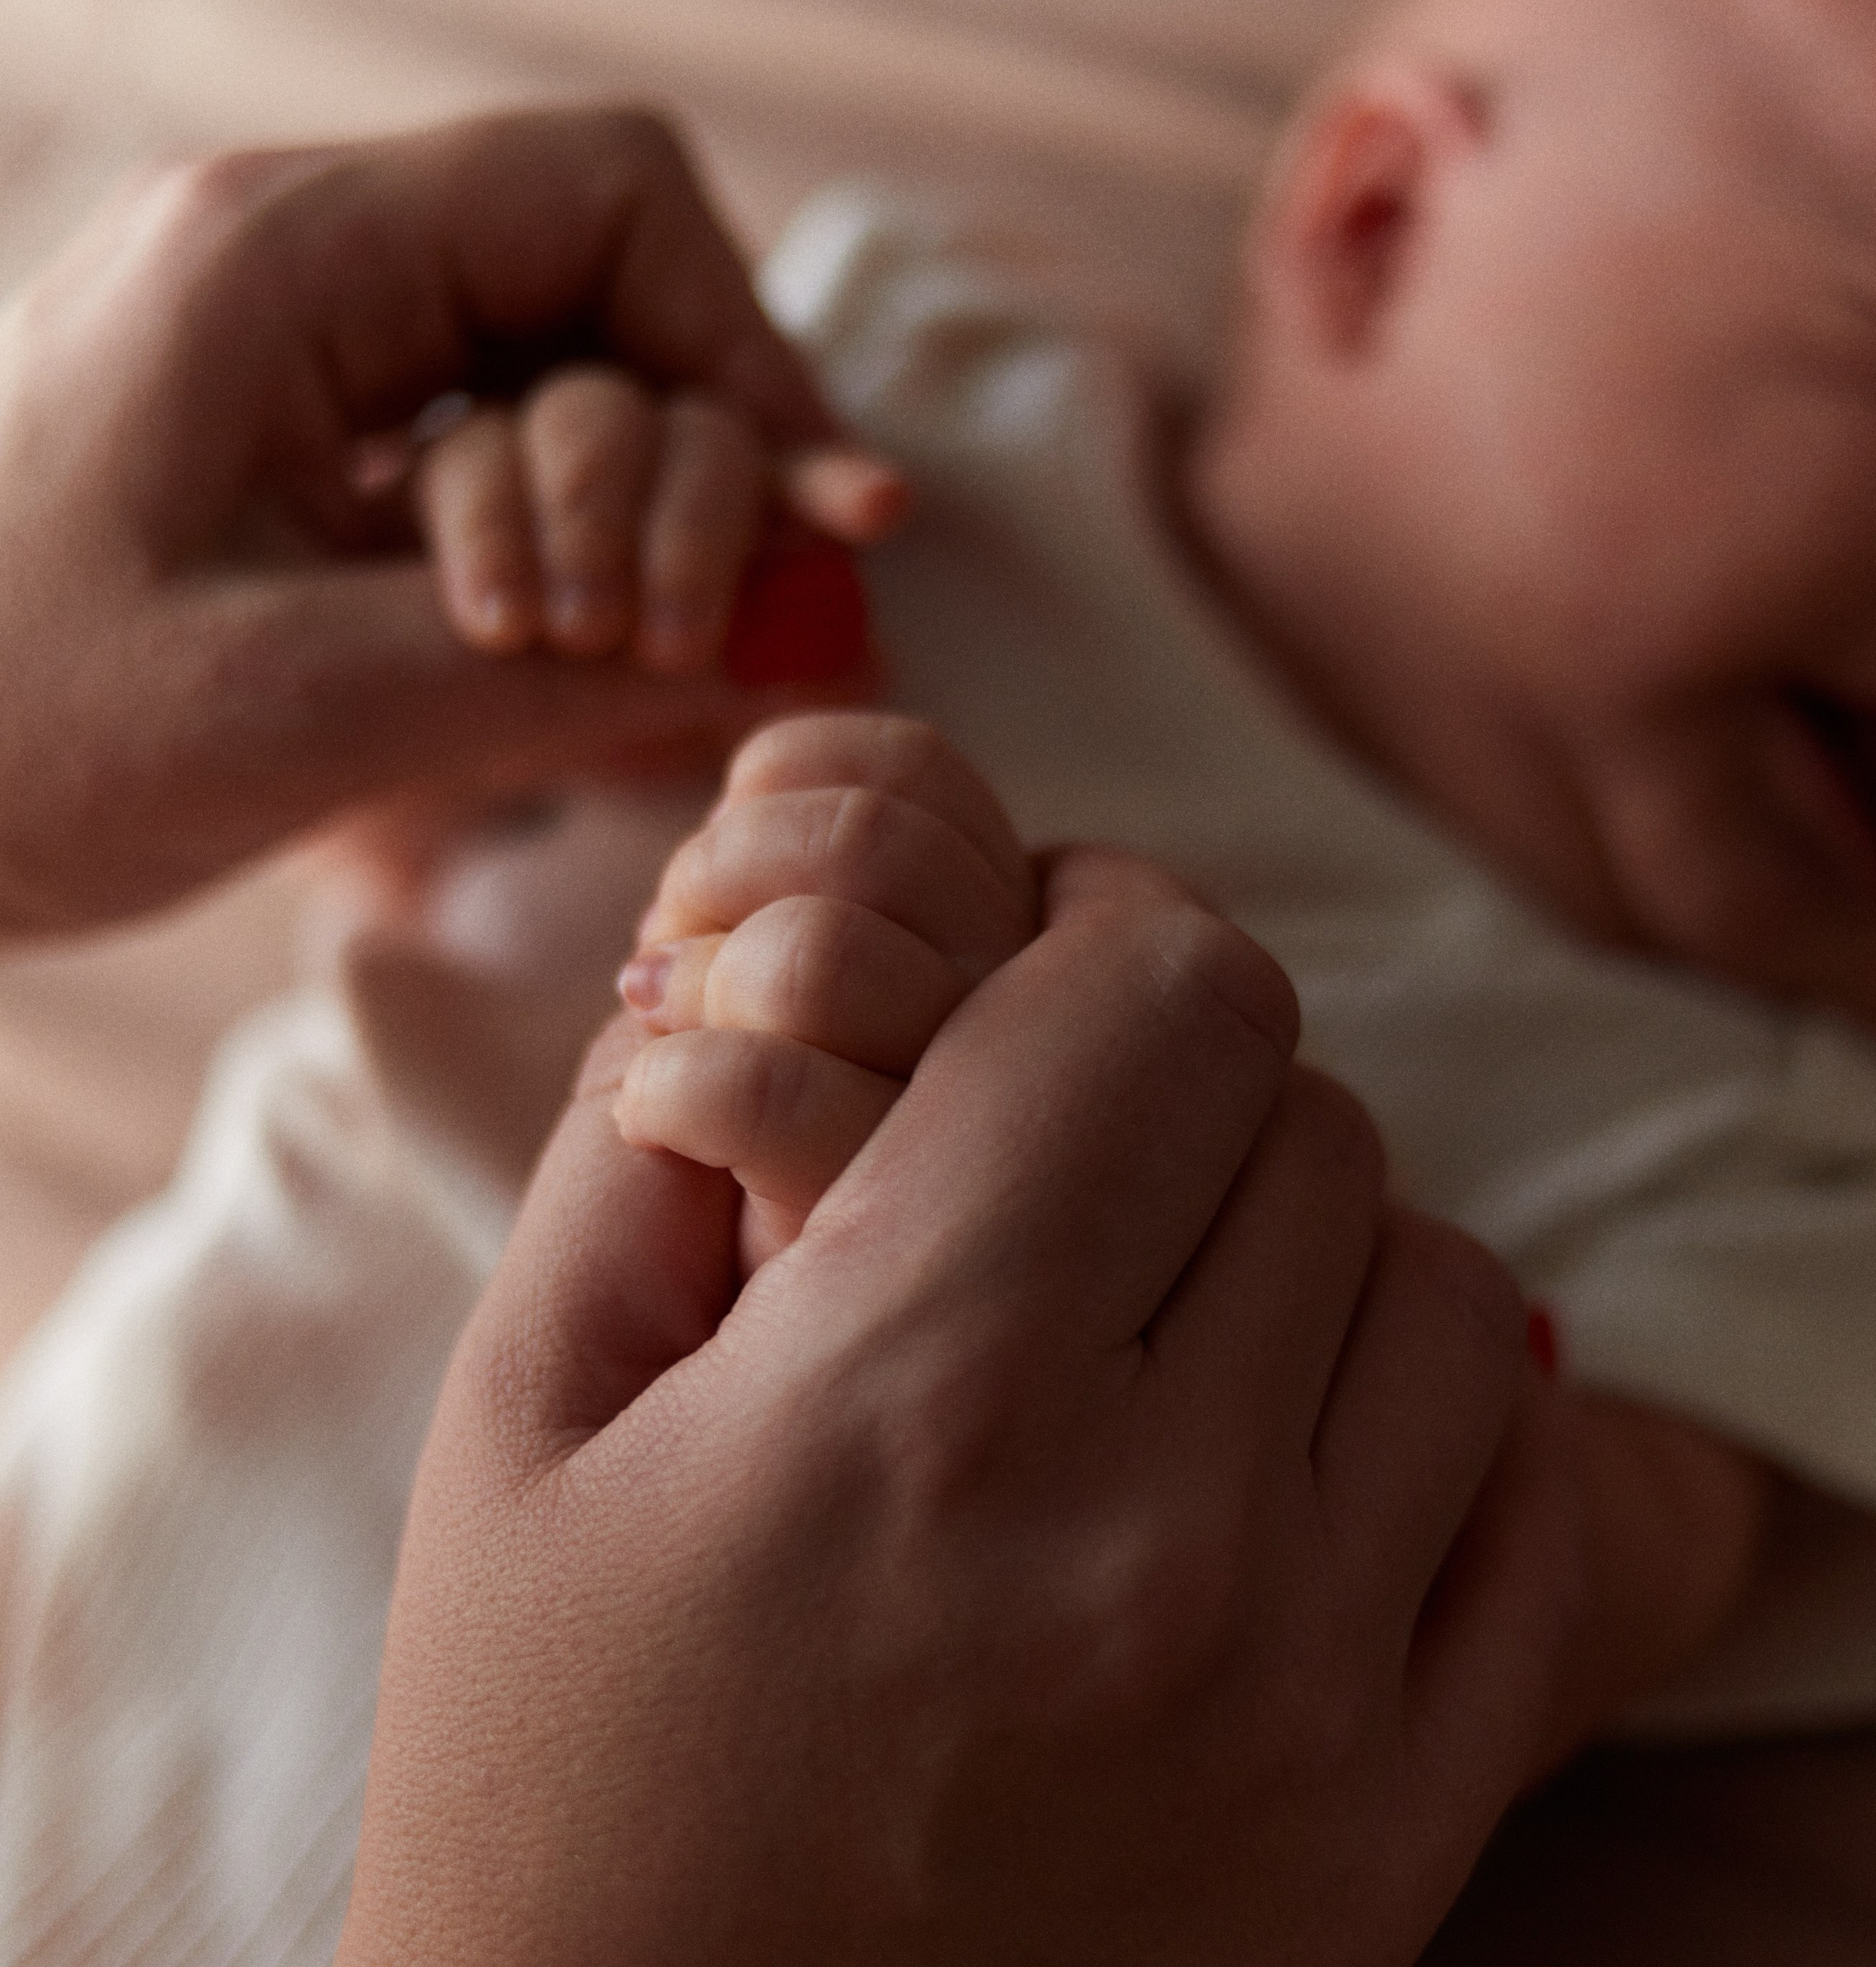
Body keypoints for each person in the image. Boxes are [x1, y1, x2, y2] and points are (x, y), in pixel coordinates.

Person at [0, 104, 1597, 1967]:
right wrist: (547, 552)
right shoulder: (930, 422)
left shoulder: (1837, 1147)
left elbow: (1550, 1581)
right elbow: (400, 896)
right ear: (1380, 208)